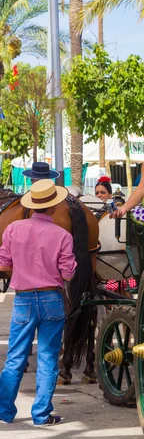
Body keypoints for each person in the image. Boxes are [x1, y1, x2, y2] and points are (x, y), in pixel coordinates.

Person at [0, 179, 77, 425]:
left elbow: (3, 264)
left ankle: (4, 412)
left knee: (15, 358)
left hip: (23, 299)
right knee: (47, 358)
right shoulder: (63, 235)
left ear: (32, 206)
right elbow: (67, 274)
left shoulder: (14, 229)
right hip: (51, 298)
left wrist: (22, 273)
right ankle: (41, 414)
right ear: (53, 207)